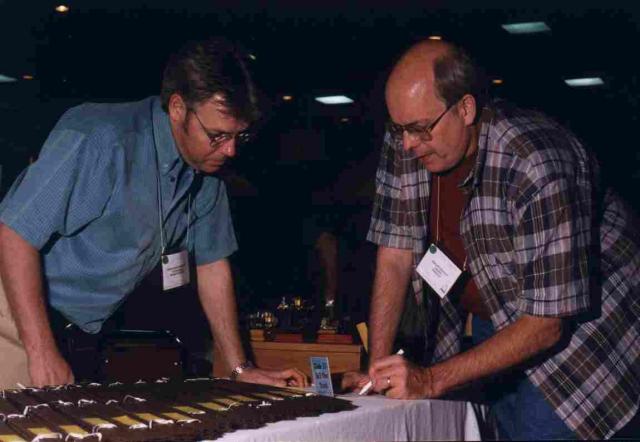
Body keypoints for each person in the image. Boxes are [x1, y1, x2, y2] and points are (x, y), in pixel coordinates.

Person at [343, 40, 639, 440]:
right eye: (399, 129)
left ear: (465, 109)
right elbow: (396, 253)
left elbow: (547, 323)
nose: (408, 145)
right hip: (496, 314)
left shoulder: (537, 162)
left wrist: (429, 380)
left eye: (418, 129)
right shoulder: (410, 139)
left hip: (586, 334)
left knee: (543, 430)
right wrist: (377, 369)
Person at [0, 38, 306, 390]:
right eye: (218, 135)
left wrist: (238, 368)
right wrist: (40, 350)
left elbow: (213, 267)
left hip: (79, 332)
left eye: (240, 136)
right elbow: (13, 233)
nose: (232, 150)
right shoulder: (100, 138)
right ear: (178, 108)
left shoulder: (206, 176)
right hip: (13, 315)